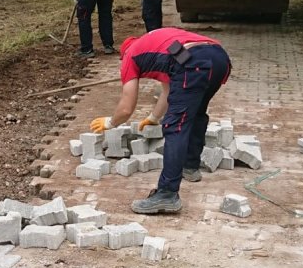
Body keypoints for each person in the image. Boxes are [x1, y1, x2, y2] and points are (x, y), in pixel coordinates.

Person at [88, 27, 231, 214]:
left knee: (174, 126)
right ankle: (190, 166)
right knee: (195, 113)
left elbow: (126, 108)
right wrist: (153, 118)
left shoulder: (130, 56)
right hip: (219, 58)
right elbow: (170, 89)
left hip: (194, 62)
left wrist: (110, 123)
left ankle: (167, 193)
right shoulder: (159, 44)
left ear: (123, 55)